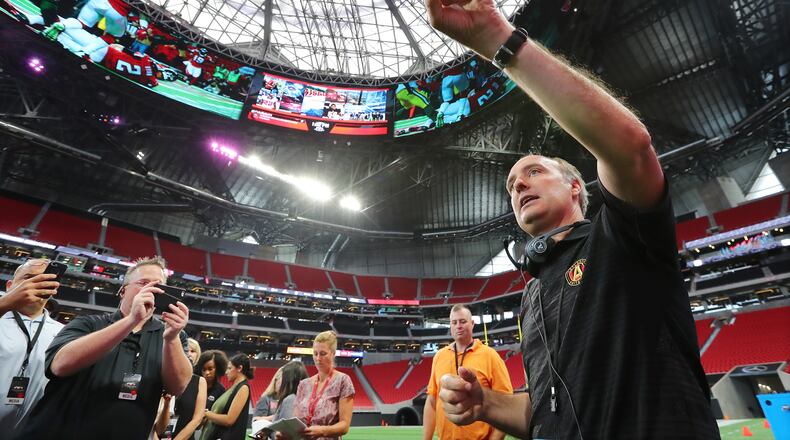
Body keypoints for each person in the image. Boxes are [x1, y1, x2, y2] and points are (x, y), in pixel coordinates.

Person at [427, 1, 720, 439]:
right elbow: (547, 411)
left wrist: (497, 40)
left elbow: (631, 147)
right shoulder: (533, 294)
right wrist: (485, 403)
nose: (518, 186)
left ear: (576, 187)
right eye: (510, 186)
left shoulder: (621, 235)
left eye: (534, 172)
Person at [12, 256, 193, 440]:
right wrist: (131, 321)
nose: (151, 289)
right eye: (143, 283)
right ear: (123, 291)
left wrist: (171, 338)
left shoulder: (173, 336)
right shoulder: (87, 323)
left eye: (159, 286)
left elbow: (177, 387)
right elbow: (60, 365)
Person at [423, 304, 512, 440]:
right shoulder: (439, 357)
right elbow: (431, 402)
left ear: (472, 324)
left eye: (463, 321)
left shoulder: (490, 356)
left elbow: (505, 404)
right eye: (454, 322)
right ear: (450, 326)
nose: (458, 326)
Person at [0, 259, 64, 433]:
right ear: (9, 285)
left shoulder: (63, 333)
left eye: (44, 280)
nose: (35, 284)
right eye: (28, 278)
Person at [282, 331, 354, 440]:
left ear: (333, 353)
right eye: (315, 354)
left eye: (323, 353)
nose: (318, 359)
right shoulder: (304, 384)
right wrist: (286, 433)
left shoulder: (343, 381)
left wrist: (322, 431)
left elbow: (344, 425)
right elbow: (296, 421)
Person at [154, 338, 208, 440]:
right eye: (186, 350)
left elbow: (197, 418)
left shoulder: (200, 382)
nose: (189, 354)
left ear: (198, 355)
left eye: (193, 351)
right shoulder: (162, 375)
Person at [201, 353, 253, 440]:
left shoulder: (243, 388)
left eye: (229, 368)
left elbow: (229, 420)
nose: (226, 372)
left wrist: (207, 414)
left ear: (239, 368)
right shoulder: (234, 388)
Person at [259, 361, 308, 440]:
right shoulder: (304, 398)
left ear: (288, 380)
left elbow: (284, 434)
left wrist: (268, 432)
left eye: (283, 377)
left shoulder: (290, 399)